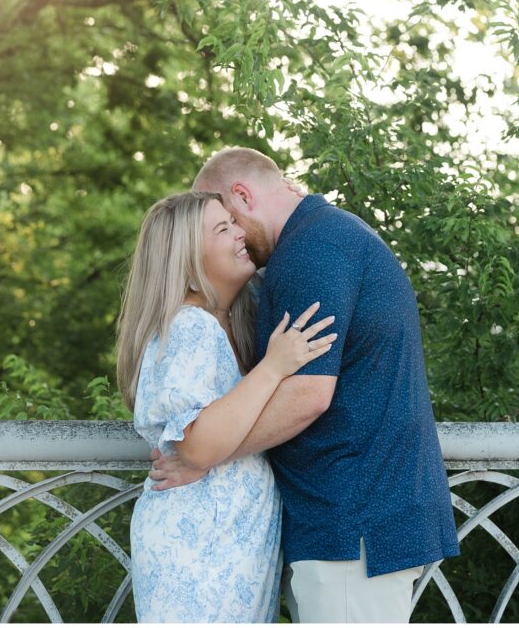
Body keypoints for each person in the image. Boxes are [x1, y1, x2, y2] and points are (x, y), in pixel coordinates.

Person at [150, 148, 460, 624]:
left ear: (241, 195)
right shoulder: (327, 236)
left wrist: (200, 456)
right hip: (354, 518)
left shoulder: (308, 252)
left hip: (351, 524)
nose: (235, 238)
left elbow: (308, 395)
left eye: (226, 222)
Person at [115, 190, 338, 623]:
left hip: (227, 545)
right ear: (187, 265)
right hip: (199, 552)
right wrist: (273, 368)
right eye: (223, 228)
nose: (241, 233)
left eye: (235, 223)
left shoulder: (225, 324)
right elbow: (198, 445)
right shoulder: (188, 328)